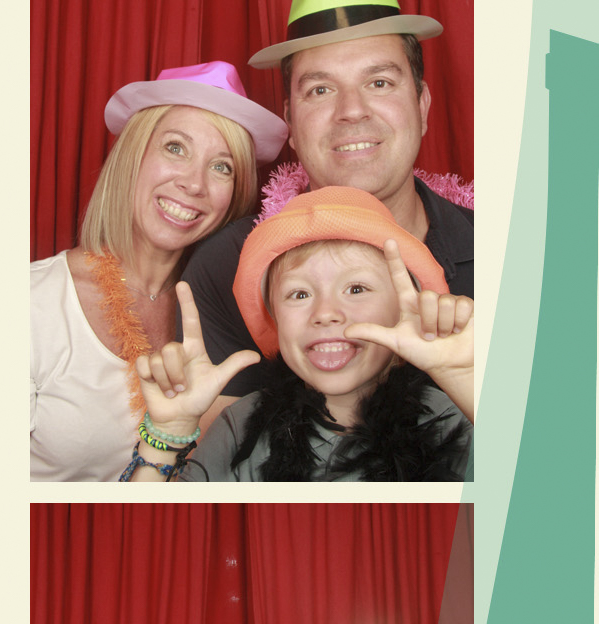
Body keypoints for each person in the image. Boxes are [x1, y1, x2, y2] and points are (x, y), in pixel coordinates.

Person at [183, 0, 474, 419]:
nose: (351, 111)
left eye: (379, 82)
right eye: (320, 90)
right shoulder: (226, 266)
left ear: (422, 106)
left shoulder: (511, 255)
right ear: (290, 122)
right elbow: (218, 451)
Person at [30, 62, 288, 480]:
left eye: (222, 166)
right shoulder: (31, 300)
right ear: (132, 156)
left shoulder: (241, 314)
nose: (194, 184)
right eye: (175, 148)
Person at [124, 188, 473, 482]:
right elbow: (149, 532)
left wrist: (466, 381)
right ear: (276, 319)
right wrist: (166, 435)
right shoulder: (238, 429)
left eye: (356, 289)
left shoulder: (453, 418)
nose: (325, 313)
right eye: (300, 294)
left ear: (402, 311)